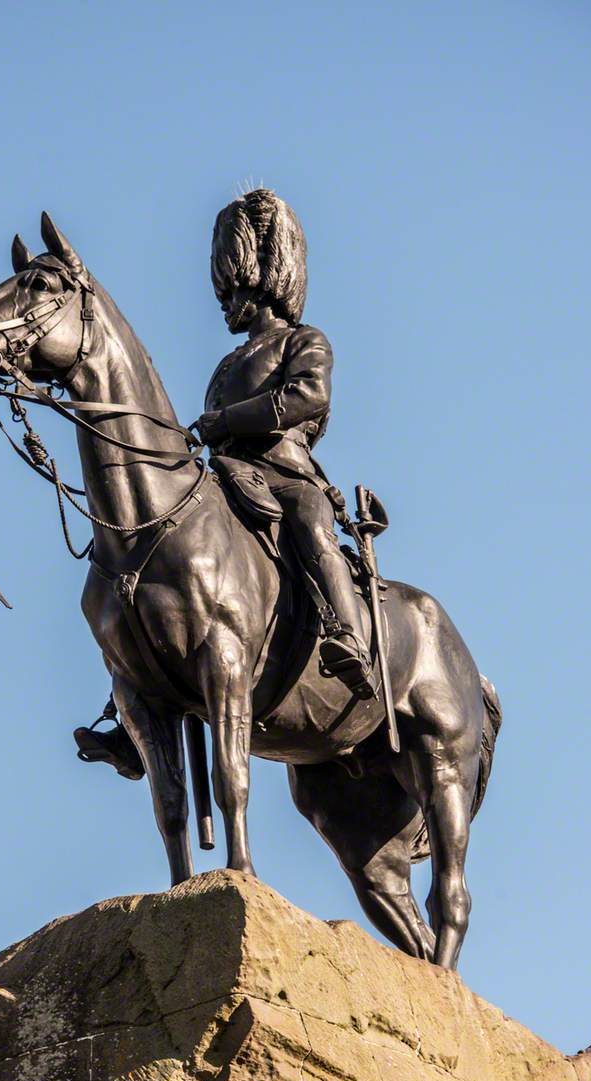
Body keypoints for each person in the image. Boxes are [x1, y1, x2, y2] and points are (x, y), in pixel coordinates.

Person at [194, 188, 377, 700]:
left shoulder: (304, 341)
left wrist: (227, 418)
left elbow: (308, 397)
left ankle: (349, 636)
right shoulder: (228, 363)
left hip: (286, 475)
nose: (224, 302)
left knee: (312, 526)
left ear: (262, 278)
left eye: (233, 289)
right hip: (228, 477)